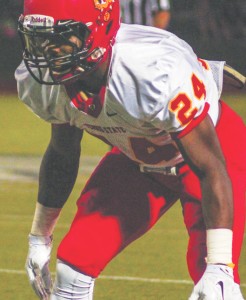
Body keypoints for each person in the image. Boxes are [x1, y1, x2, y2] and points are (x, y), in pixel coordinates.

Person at [14, 0, 246, 299]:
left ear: (98, 30)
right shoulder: (46, 83)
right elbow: (62, 153)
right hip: (140, 156)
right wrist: (39, 236)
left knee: (215, 287)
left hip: (213, 151)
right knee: (74, 266)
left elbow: (211, 167)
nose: (47, 51)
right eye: (39, 38)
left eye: (59, 37)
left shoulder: (153, 71)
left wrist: (220, 266)